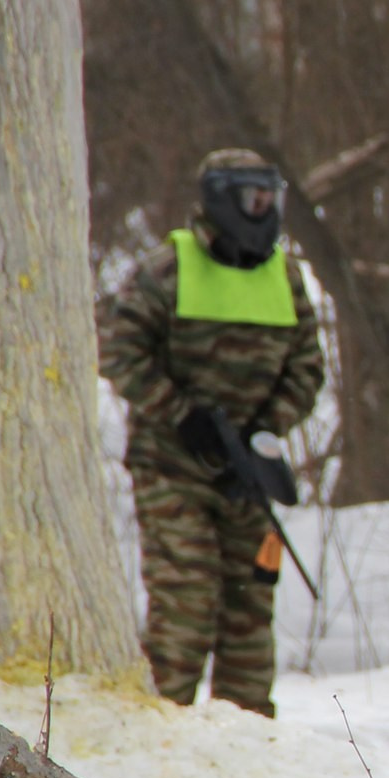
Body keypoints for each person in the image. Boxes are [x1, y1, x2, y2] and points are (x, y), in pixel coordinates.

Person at [99, 149, 325, 717]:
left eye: (271, 198)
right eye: (254, 199)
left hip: (246, 473)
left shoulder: (287, 279)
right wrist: (182, 415)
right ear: (223, 200)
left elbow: (307, 368)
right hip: (172, 468)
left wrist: (266, 430)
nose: (264, 210)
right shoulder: (166, 270)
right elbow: (120, 353)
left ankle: (244, 744)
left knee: (249, 614)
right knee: (186, 607)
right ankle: (161, 737)